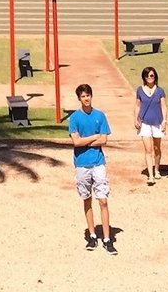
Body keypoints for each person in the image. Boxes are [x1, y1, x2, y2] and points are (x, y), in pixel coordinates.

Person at [67, 83, 115, 254]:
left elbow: (104, 140)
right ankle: (93, 235)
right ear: (79, 98)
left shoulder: (100, 115)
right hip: (81, 164)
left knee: (103, 200)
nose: (86, 98)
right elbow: (76, 142)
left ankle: (107, 239)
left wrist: (86, 140)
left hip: (98, 162)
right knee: (86, 198)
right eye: (83, 96)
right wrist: (94, 137)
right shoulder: (74, 118)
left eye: (88, 95)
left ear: (91, 96)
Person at [134, 65, 168, 185]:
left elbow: (163, 106)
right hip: (144, 123)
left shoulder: (160, 91)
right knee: (148, 150)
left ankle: (157, 169)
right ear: (144, 77)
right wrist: (135, 119)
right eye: (147, 76)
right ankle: (151, 175)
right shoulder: (139, 90)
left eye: (152, 75)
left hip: (157, 123)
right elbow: (137, 105)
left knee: (156, 148)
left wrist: (164, 121)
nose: (150, 78)